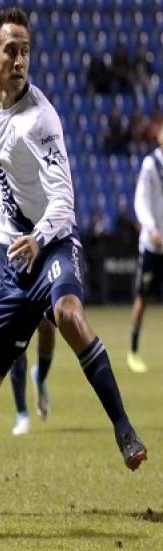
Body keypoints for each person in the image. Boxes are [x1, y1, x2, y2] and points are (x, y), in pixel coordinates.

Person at [0, 8, 147, 516]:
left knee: (69, 316)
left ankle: (124, 430)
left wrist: (37, 238)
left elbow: (64, 200)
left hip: (53, 245)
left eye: (25, 50)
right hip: (16, 266)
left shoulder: (43, 117)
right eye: (10, 50)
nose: (18, 58)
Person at [0, 136, 54, 435]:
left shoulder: (37, 123)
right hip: (6, 243)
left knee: (47, 326)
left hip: (39, 240)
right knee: (14, 331)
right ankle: (22, 412)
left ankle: (41, 376)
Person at [127, 120, 163, 373]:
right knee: (142, 298)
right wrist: (151, 229)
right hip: (152, 246)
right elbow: (140, 200)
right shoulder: (152, 165)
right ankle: (133, 350)